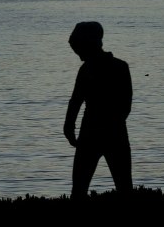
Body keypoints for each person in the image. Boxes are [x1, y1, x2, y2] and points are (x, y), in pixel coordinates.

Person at [63, 21, 133, 198]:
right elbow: (126, 105)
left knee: (80, 188)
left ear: (88, 44)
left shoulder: (89, 69)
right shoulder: (119, 66)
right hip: (111, 132)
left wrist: (69, 126)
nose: (77, 53)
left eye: (78, 48)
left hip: (96, 132)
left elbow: (76, 101)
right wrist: (69, 126)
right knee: (122, 187)